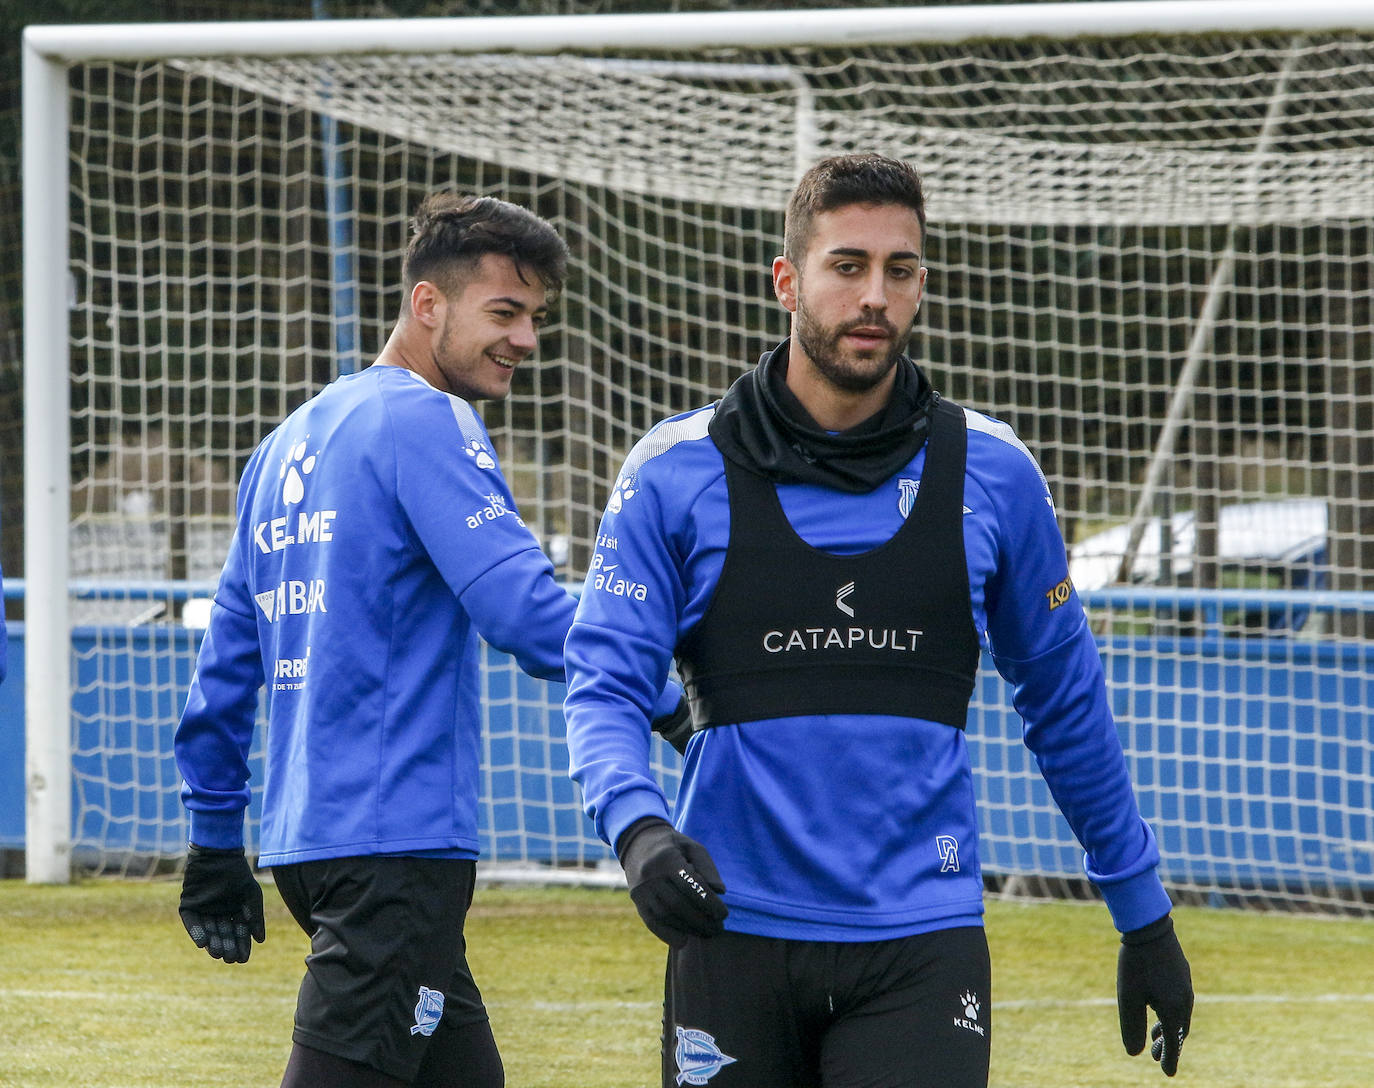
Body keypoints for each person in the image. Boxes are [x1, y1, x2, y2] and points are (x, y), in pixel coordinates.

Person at [563, 154, 1194, 1088]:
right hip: (733, 937)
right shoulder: (674, 472)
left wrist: (1143, 915)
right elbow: (605, 684)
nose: (875, 296)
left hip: (921, 945)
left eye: (899, 271)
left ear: (922, 286)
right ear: (787, 280)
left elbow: (1066, 707)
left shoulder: (995, 476)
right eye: (847, 265)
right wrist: (638, 828)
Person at [174, 192, 685, 1088]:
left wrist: (216, 839)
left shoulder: (285, 443)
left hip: (306, 846)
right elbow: (527, 616)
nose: (526, 339)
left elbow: (227, 662)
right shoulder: (426, 418)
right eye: (504, 312)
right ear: (427, 305)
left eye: (534, 318)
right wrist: (674, 696)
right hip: (395, 854)